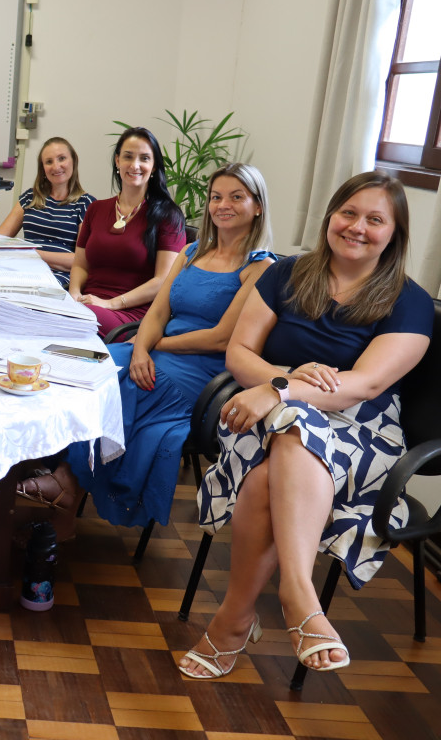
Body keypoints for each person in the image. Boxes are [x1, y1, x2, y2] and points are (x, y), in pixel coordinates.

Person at [179, 172, 431, 679]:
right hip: (262, 415)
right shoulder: (287, 274)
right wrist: (284, 382)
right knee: (291, 426)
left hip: (362, 430)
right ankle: (299, 599)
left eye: (375, 219)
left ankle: (238, 617)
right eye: (348, 213)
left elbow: (361, 385)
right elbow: (238, 351)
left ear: (395, 233)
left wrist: (281, 389)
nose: (357, 227)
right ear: (329, 217)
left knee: (270, 469)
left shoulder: (410, 300)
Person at [60, 164, 275, 536]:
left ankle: (63, 489)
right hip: (153, 351)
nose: (223, 205)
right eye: (216, 197)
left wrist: (152, 345)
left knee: (121, 387)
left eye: (236, 197)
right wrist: (141, 347)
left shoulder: (260, 267)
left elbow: (221, 338)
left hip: (202, 371)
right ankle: (56, 476)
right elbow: (158, 310)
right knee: (81, 369)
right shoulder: (192, 252)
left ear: (257, 206)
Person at [67, 127, 186, 337]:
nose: (135, 165)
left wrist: (110, 304)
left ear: (154, 164)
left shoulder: (169, 216)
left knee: (70, 322)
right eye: (128, 157)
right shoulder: (96, 209)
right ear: (117, 161)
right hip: (88, 304)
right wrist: (74, 294)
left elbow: (162, 281)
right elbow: (80, 265)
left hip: (132, 316)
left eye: (144, 158)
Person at [0, 137, 95, 287]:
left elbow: (82, 261)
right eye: (49, 162)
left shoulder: (86, 204)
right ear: (42, 168)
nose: (56, 167)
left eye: (62, 158)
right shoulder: (30, 197)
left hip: (56, 279)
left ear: (74, 161)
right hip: (21, 270)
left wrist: (31, 254)